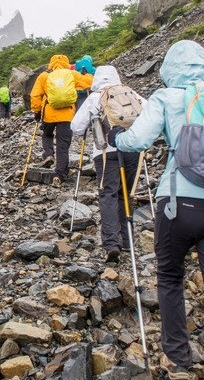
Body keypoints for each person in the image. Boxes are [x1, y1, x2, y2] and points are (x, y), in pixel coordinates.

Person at [112, 40, 204, 380]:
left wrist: (117, 137)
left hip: (178, 203)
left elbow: (137, 140)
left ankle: (178, 359)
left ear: (169, 67)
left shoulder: (167, 97)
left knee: (171, 276)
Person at [70, 65, 140, 263]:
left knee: (108, 193)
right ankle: (127, 240)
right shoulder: (129, 92)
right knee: (126, 193)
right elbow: (148, 111)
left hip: (104, 152)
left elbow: (75, 127)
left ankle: (111, 242)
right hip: (131, 149)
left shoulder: (95, 97)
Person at [30, 54, 91, 186]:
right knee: (63, 146)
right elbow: (89, 83)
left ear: (51, 63)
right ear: (66, 63)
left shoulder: (44, 76)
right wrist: (86, 74)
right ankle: (60, 175)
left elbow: (35, 95)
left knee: (47, 135)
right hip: (67, 115)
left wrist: (36, 111)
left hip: (48, 114)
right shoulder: (72, 73)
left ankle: (48, 154)